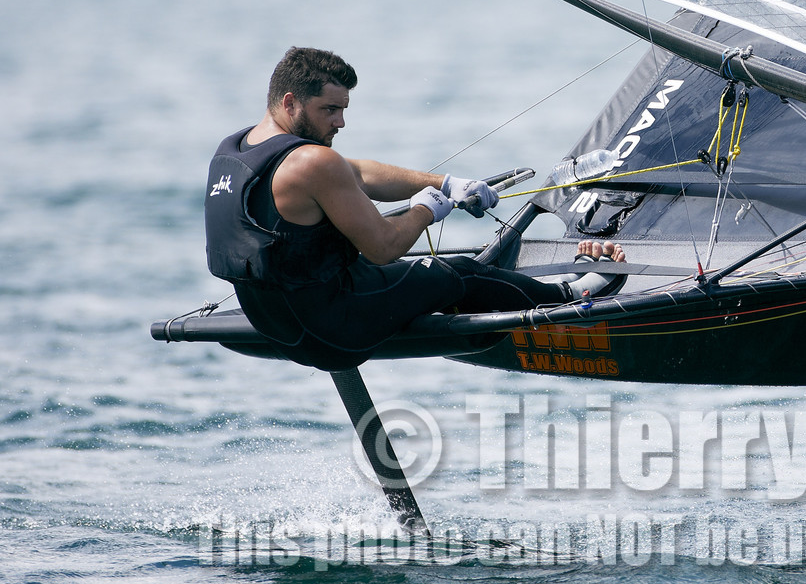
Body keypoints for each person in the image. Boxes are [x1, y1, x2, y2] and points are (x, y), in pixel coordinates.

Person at [204, 46, 625, 371]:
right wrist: (428, 208)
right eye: (329, 110)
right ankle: (567, 297)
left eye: (343, 110)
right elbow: (384, 248)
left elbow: (361, 174)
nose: (340, 123)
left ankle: (529, 296)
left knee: (409, 271)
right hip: (332, 334)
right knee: (456, 272)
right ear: (291, 101)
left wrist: (445, 183)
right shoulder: (313, 161)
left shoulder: (239, 152)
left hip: (279, 328)